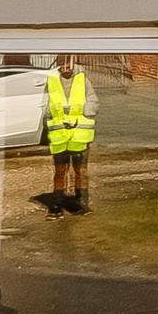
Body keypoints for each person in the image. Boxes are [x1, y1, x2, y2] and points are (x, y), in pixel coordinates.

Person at [42, 54, 95, 213]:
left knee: (81, 171)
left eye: (68, 64)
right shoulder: (51, 81)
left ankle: (81, 204)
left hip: (79, 135)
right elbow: (45, 105)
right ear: (58, 64)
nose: (66, 67)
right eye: (62, 64)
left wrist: (84, 110)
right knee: (60, 171)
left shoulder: (83, 79)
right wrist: (47, 123)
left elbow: (93, 102)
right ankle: (56, 205)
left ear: (73, 63)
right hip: (59, 136)